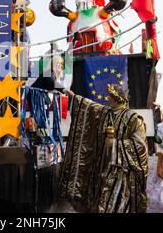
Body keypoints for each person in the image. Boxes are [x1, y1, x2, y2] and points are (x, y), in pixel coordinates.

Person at [57, 84, 148, 213]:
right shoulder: (106, 113)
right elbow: (90, 107)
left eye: (110, 97)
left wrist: (114, 145)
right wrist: (73, 96)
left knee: (116, 203)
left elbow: (140, 146)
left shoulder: (134, 118)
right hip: (102, 166)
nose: (107, 99)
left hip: (121, 172)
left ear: (117, 98)